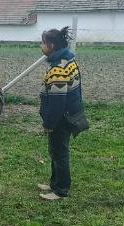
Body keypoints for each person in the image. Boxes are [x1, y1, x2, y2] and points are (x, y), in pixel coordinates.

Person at [37, 27, 88, 201]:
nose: (41, 46)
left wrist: (49, 124)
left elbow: (57, 102)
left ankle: (61, 190)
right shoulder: (67, 60)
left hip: (61, 118)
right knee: (55, 151)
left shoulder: (58, 68)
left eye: (42, 43)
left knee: (59, 153)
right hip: (68, 114)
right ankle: (54, 183)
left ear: (50, 46)